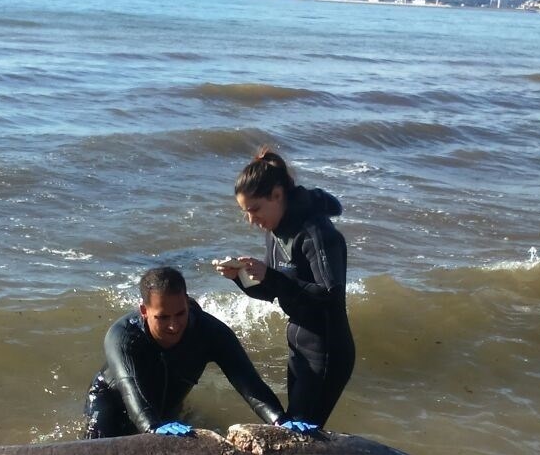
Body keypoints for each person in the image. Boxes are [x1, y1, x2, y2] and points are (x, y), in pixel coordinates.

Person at [218, 148, 354, 430]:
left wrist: (271, 276)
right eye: (245, 213)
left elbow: (329, 297)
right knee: (295, 426)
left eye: (254, 209)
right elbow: (272, 292)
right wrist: (240, 277)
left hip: (326, 350)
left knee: (301, 431)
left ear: (277, 195)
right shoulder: (276, 231)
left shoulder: (316, 233)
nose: (251, 220)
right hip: (299, 345)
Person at [83, 266, 285, 438]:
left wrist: (279, 419)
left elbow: (250, 384)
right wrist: (151, 427)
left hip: (164, 410)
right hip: (113, 403)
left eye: (180, 314)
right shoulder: (122, 337)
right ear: (144, 311)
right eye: (163, 318)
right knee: (97, 450)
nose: (173, 326)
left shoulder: (210, 332)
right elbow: (130, 387)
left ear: (188, 302)